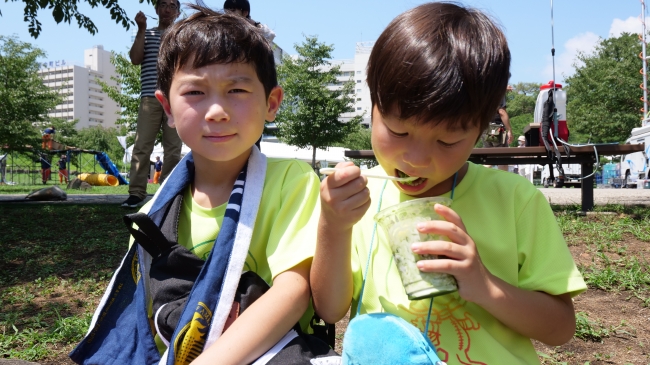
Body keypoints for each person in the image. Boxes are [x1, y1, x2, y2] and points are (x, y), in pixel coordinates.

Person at [311, 3, 586, 364]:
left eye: (446, 141)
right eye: (398, 130)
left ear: (482, 126)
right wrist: (334, 225)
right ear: (373, 103)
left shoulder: (515, 201)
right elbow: (331, 310)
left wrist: (485, 286)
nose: (416, 159)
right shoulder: (359, 199)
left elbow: (561, 327)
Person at [78, 6, 320, 364]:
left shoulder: (290, 181)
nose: (216, 111)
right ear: (168, 109)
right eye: (195, 92)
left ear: (272, 103)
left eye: (236, 89)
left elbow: (295, 290)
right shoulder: (151, 217)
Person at [122, 0, 183, 208]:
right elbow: (135, 58)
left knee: (173, 148)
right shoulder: (146, 34)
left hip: (175, 98)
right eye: (163, 4)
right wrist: (141, 29)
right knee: (141, 146)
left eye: (172, 5)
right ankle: (136, 192)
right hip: (150, 96)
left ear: (178, 11)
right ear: (156, 9)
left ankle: (167, 192)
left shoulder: (183, 35)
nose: (167, 9)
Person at [482, 87, 513, 171]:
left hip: (484, 127)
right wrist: (509, 130)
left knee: (488, 159)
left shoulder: (484, 92)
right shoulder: (498, 93)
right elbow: (502, 112)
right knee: (503, 158)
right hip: (496, 128)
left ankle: (484, 182)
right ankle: (501, 183)